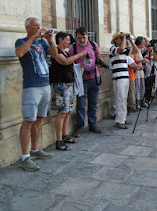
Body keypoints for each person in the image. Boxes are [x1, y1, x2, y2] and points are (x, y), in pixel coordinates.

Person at [15, 17, 58, 172]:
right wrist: (33, 37)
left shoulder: (43, 43)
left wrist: (50, 40)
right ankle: (25, 158)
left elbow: (55, 55)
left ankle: (35, 149)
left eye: (40, 25)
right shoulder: (20, 41)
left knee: (39, 119)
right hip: (31, 86)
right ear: (27, 27)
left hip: (45, 84)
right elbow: (19, 53)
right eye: (35, 25)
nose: (39, 27)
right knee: (28, 121)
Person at [50, 32, 87, 150]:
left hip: (69, 84)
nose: (69, 42)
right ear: (60, 40)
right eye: (66, 40)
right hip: (61, 85)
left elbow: (69, 64)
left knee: (68, 111)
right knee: (61, 113)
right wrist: (79, 54)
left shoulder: (66, 52)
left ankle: (65, 135)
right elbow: (65, 62)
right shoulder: (56, 51)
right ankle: (59, 140)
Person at [68, 27, 104, 137]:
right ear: (76, 37)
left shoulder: (93, 45)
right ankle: (79, 127)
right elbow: (70, 62)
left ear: (87, 35)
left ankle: (93, 124)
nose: (82, 40)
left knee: (93, 103)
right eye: (79, 38)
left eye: (84, 37)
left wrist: (100, 62)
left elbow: (99, 56)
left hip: (94, 77)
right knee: (81, 105)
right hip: (81, 80)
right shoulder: (73, 48)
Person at [109, 32, 141, 129]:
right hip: (118, 78)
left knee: (124, 99)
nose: (121, 40)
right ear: (115, 40)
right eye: (119, 38)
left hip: (125, 77)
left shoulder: (125, 52)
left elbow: (136, 50)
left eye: (121, 38)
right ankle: (120, 120)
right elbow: (121, 48)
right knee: (120, 99)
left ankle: (123, 117)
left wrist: (130, 40)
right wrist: (124, 37)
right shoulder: (113, 49)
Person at [134, 36, 149, 109]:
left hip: (141, 70)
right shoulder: (136, 50)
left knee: (142, 86)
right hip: (137, 69)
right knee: (138, 86)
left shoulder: (140, 50)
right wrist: (144, 60)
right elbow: (135, 60)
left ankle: (142, 101)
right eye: (142, 42)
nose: (143, 44)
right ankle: (137, 102)